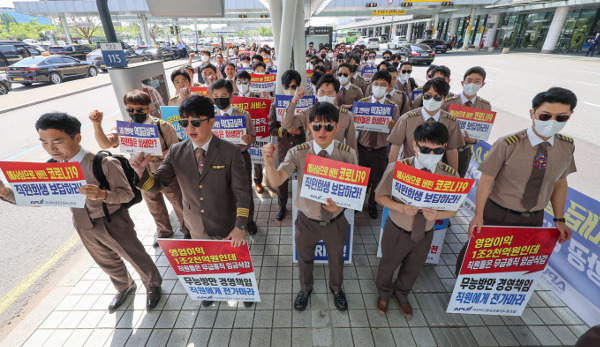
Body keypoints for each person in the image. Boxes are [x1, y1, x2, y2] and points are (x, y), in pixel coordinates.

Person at [0, 113, 163, 310]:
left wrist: (103, 195)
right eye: (44, 143)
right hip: (82, 223)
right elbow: (36, 197)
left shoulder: (102, 163)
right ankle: (124, 286)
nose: (51, 149)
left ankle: (153, 285)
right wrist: (6, 192)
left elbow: (127, 195)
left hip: (112, 220)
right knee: (105, 260)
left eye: (57, 142)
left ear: (76, 137)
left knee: (134, 255)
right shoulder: (52, 168)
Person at [130, 94, 254, 308]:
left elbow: (243, 193)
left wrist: (240, 226)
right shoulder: (177, 152)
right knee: (208, 261)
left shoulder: (230, 151)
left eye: (196, 122)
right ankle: (211, 290)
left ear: (211, 122)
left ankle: (242, 291)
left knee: (233, 262)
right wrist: (141, 173)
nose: (189, 128)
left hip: (226, 221)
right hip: (195, 222)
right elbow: (157, 184)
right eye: (184, 123)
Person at [457, 87, 577, 274]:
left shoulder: (566, 147)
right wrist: (478, 215)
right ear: (532, 113)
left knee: (513, 265)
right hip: (498, 213)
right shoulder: (508, 144)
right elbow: (486, 180)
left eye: (561, 118)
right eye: (545, 116)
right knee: (476, 258)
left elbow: (560, 181)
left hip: (534, 217)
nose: (552, 122)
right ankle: (460, 293)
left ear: (570, 115)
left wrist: (559, 219)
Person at [262, 102, 357, 312]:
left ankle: (337, 288)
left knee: (337, 259)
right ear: (309, 127)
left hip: (336, 221)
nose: (322, 132)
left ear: (337, 127)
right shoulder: (298, 152)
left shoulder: (348, 154)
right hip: (307, 221)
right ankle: (305, 288)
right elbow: (277, 181)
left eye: (328, 127)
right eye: (317, 126)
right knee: (305, 259)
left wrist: (339, 205)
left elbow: (353, 191)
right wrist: (269, 163)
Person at [375, 122, 459, 317]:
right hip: (397, 229)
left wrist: (438, 215)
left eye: (437, 150)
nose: (431, 154)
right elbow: (379, 196)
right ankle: (384, 293)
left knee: (414, 268)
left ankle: (402, 294)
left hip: (426, 233)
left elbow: (453, 209)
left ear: (445, 147)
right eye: (425, 149)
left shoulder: (450, 175)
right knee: (388, 264)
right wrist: (400, 207)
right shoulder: (397, 168)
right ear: (414, 145)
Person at [90, 90, 190, 246]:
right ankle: (164, 231)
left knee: (178, 202)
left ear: (148, 109)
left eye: (139, 110)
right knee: (154, 204)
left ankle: (188, 230)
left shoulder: (162, 126)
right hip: (142, 174)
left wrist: (156, 154)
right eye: (130, 110)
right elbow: (105, 143)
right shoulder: (126, 129)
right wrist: (97, 125)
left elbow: (176, 150)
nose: (135, 113)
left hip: (165, 173)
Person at [211, 79, 258, 235]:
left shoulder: (244, 115)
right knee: (224, 191)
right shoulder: (210, 118)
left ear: (231, 95)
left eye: (223, 95)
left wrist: (249, 139)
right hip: (218, 160)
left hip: (241, 157)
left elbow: (253, 137)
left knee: (245, 192)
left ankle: (249, 220)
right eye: (216, 95)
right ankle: (232, 221)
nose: (219, 99)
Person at [387, 78, 464, 171]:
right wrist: (391, 171)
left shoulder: (451, 122)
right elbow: (395, 146)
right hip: (408, 171)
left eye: (437, 97)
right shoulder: (407, 118)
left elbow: (451, 150)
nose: (431, 100)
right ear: (423, 96)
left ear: (445, 98)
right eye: (428, 96)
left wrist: (454, 177)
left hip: (435, 172)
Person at [355, 70, 401, 219]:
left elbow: (398, 134)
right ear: (371, 84)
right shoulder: (362, 103)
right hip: (362, 149)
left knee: (377, 180)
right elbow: (354, 129)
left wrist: (393, 127)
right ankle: (358, 203)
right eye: (376, 84)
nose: (379, 87)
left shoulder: (393, 107)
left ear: (388, 87)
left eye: (383, 85)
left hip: (380, 151)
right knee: (361, 179)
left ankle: (373, 205)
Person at [268, 70, 306, 220]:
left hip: (302, 148)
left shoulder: (307, 104)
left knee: (304, 178)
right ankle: (281, 207)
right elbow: (271, 129)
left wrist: (299, 132)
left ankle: (304, 207)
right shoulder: (275, 105)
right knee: (281, 181)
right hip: (284, 149)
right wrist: (285, 131)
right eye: (287, 86)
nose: (290, 89)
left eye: (294, 86)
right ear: (282, 86)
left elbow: (312, 129)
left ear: (299, 86)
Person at [284, 73, 357, 150]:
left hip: (335, 159)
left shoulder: (345, 116)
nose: (325, 95)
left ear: (336, 95)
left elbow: (351, 144)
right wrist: (294, 101)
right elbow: (287, 124)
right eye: (322, 92)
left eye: (330, 93)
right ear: (316, 93)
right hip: (313, 159)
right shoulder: (308, 113)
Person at [442, 66, 491, 177]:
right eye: (469, 80)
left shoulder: (485, 107)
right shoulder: (448, 103)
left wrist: (473, 140)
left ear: (482, 85)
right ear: (462, 82)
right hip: (444, 150)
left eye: (477, 81)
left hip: (465, 151)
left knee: (458, 181)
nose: (472, 84)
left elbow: (483, 132)